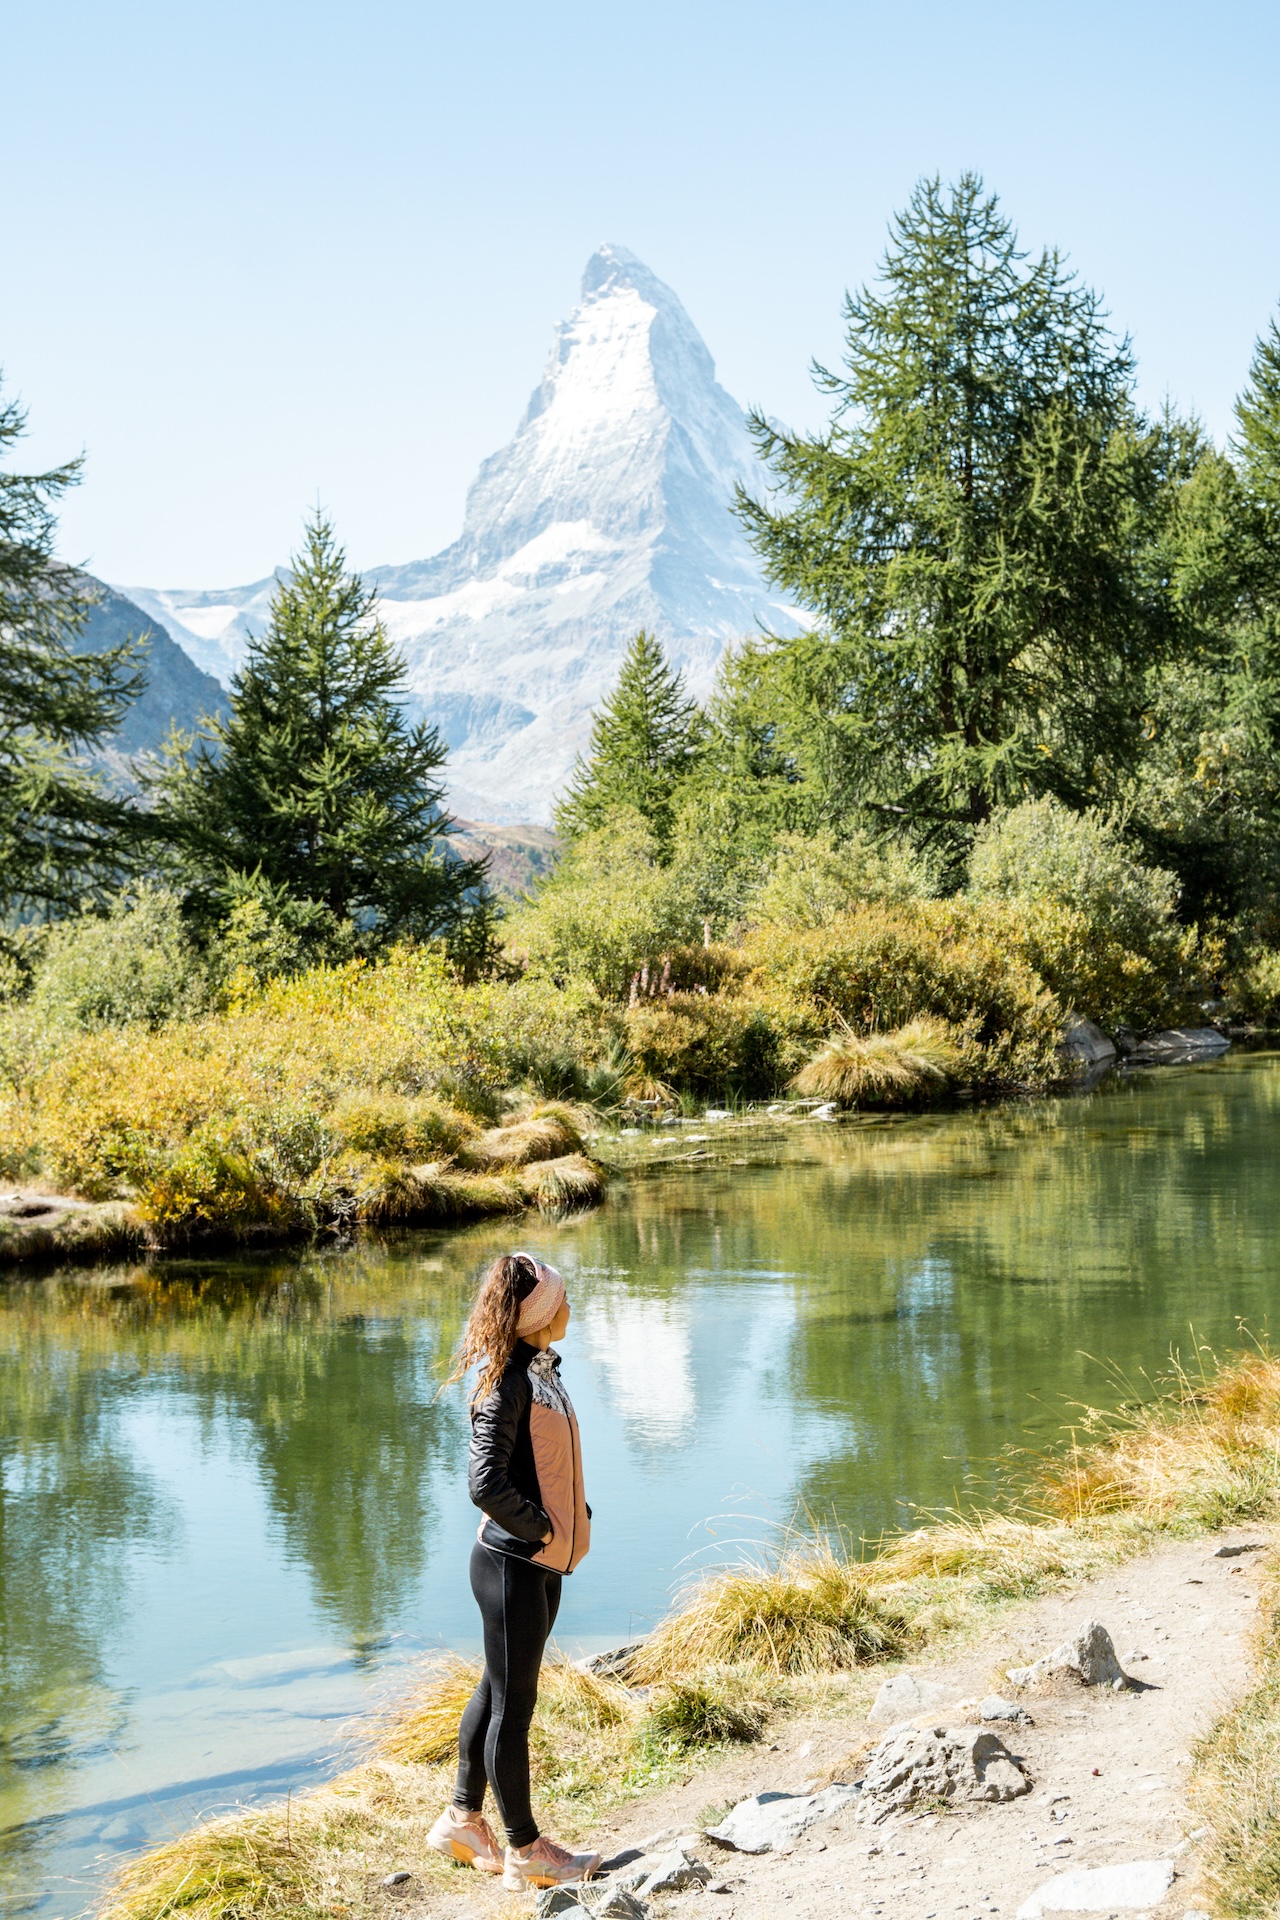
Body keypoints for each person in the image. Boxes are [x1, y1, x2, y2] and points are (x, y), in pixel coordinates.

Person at [427, 1252, 601, 1891]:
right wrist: (543, 1528)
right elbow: (485, 1484)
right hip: (511, 1564)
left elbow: (543, 1465)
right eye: (562, 1299)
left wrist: (569, 1521)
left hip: (537, 1563)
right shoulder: (506, 1383)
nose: (570, 1307)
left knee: (496, 1688)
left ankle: (460, 1822)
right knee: (513, 1705)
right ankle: (526, 1850)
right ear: (539, 1313)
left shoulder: (538, 1370)